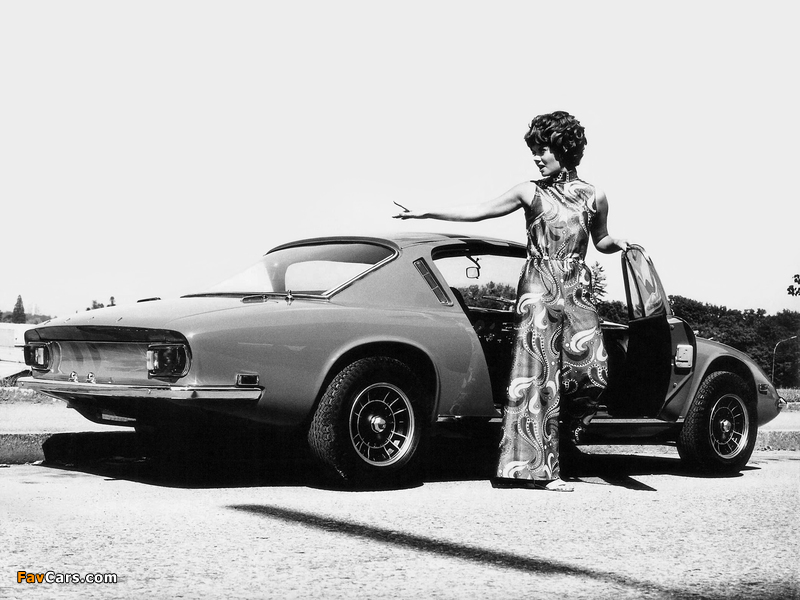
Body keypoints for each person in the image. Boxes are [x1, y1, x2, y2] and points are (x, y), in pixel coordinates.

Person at [393, 111, 627, 492]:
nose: (537, 157)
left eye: (544, 149)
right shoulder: (529, 192)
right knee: (537, 378)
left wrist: (617, 244)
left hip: (577, 285)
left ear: (564, 149)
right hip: (538, 286)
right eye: (535, 150)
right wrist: (427, 211)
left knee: (594, 369)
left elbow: (600, 238)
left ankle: (566, 438)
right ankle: (538, 470)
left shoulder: (594, 195)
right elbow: (479, 211)